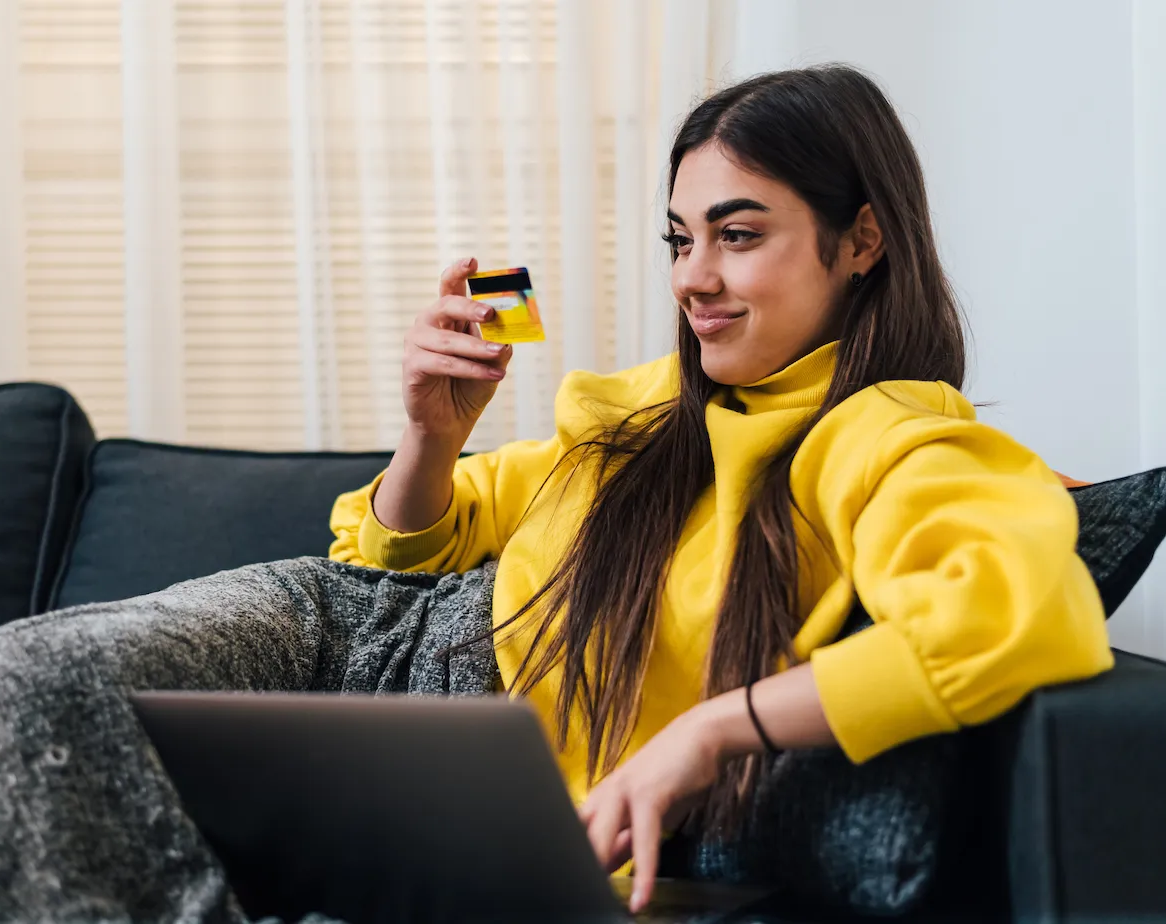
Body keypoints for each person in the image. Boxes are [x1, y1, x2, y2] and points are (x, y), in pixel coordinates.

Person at [327, 63, 1113, 913]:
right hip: (394, 754)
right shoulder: (635, 409)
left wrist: (710, 731)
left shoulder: (894, 439)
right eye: (679, 239)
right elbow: (397, 554)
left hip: (548, 855)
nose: (691, 278)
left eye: (736, 236)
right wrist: (431, 438)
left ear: (862, 241)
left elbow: (1015, 618)